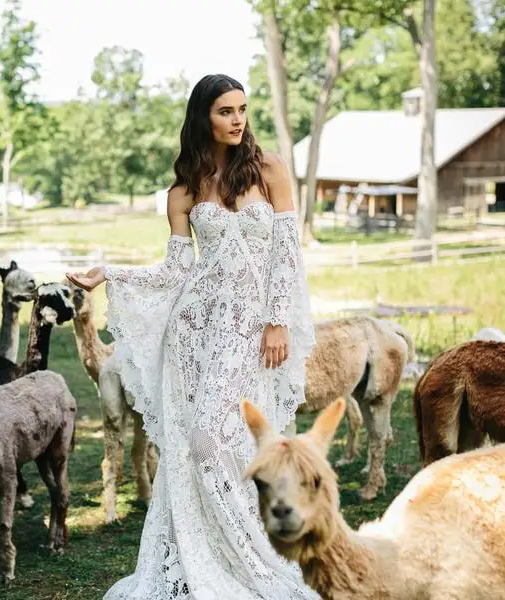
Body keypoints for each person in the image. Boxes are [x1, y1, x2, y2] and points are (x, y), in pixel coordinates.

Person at [67, 73, 318, 600]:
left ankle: (256, 558)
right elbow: (176, 272)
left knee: (224, 440)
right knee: (195, 443)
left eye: (243, 109)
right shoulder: (183, 189)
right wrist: (108, 273)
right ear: (203, 115)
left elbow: (287, 256)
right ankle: (210, 554)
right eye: (225, 111)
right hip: (196, 330)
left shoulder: (270, 169)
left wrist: (277, 320)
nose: (237, 119)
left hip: (252, 329)